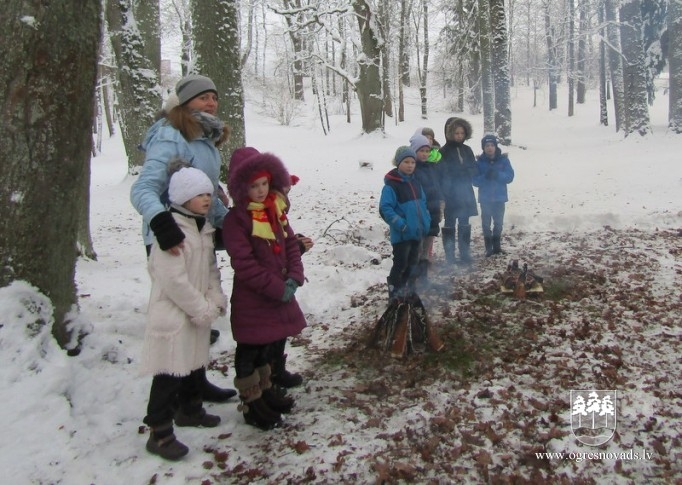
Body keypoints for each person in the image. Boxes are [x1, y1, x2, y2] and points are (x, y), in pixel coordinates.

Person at [130, 74, 236, 403]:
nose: (211, 102)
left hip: (199, 235)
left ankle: (195, 383)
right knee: (180, 316)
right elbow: (143, 189)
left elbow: (209, 195)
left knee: (201, 309)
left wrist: (233, 224)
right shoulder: (169, 134)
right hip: (172, 238)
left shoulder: (204, 137)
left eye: (214, 97)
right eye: (203, 97)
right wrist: (162, 223)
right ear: (185, 102)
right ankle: (171, 396)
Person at [141, 166, 226, 461]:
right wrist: (200, 307)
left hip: (196, 311)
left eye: (208, 193)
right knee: (169, 372)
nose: (206, 199)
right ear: (182, 197)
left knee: (193, 364)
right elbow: (172, 280)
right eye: (199, 194)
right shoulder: (173, 232)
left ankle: (190, 409)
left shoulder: (202, 227)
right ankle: (160, 431)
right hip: (174, 313)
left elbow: (212, 268)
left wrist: (215, 295)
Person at [222, 147, 307, 430]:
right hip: (254, 297)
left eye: (264, 184)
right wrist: (274, 286)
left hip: (278, 291)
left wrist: (294, 275)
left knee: (268, 345)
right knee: (250, 348)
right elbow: (244, 263)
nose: (260, 191)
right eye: (253, 186)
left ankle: (266, 389)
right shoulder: (237, 220)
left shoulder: (275, 210)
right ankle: (251, 400)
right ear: (241, 188)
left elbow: (290, 244)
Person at [379, 147, 431, 300]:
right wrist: (401, 224)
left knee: (413, 263)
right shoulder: (391, 186)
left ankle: (409, 290)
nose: (410, 165)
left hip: (417, 231)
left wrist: (426, 220)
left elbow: (423, 203)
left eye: (413, 162)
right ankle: (395, 292)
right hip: (402, 234)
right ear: (398, 163)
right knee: (401, 264)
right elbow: (385, 208)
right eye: (406, 162)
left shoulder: (415, 183)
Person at [437, 117, 478, 264]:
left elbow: (473, 167)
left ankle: (464, 253)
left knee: (464, 221)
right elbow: (442, 172)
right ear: (449, 134)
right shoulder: (444, 151)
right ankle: (450, 255)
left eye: (462, 133)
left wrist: (468, 172)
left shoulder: (467, 150)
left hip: (465, 191)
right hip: (450, 193)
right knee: (449, 222)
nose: (459, 136)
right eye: (456, 133)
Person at [473, 134, 515, 256]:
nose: (490, 148)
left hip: (499, 198)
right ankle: (488, 247)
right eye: (487, 146)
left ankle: (497, 247)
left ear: (496, 146)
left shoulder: (504, 160)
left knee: (498, 223)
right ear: (483, 148)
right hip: (485, 199)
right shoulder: (479, 162)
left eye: (492, 145)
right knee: (486, 224)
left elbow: (510, 177)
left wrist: (498, 175)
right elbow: (475, 180)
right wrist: (485, 176)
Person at [408, 133, 442, 282]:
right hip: (421, 211)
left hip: (433, 210)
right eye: (421, 151)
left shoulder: (431, 167)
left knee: (427, 246)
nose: (424, 154)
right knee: (418, 246)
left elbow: (437, 186)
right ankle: (413, 277)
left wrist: (441, 203)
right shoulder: (412, 169)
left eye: (427, 151)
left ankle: (424, 276)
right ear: (415, 151)